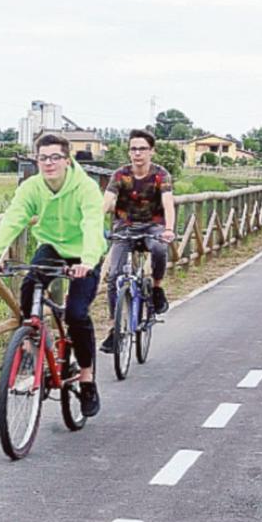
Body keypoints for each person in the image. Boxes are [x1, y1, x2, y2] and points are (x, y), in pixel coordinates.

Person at [0, 133, 108, 417]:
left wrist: (87, 261)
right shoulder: (32, 187)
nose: (49, 163)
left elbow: (93, 225)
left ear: (67, 159)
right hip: (51, 246)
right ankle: (31, 345)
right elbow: (13, 220)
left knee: (76, 314)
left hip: (85, 250)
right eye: (43, 158)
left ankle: (86, 378)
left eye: (55, 157)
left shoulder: (85, 188)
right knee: (30, 283)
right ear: (37, 160)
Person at [100, 129, 176, 358]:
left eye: (142, 148)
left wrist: (169, 229)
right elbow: (108, 199)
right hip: (125, 226)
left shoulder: (161, 175)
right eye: (133, 148)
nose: (137, 153)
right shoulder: (120, 174)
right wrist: (95, 219)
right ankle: (115, 326)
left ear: (151, 151)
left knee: (160, 248)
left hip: (153, 225)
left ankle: (156, 288)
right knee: (114, 275)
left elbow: (168, 203)